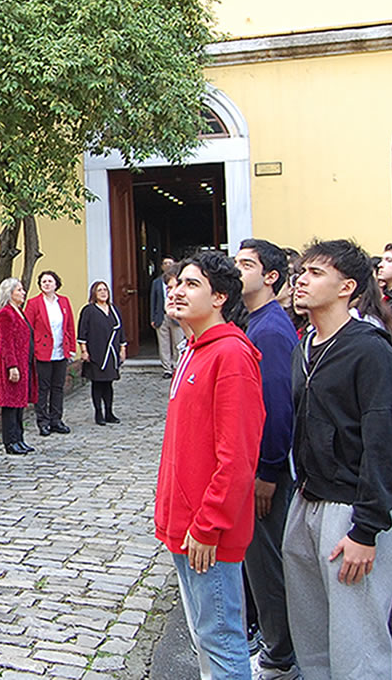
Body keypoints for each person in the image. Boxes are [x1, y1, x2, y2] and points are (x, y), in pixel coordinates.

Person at [283, 240, 392, 679]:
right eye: (301, 271)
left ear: (347, 287)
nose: (301, 279)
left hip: (351, 510)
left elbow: (388, 443)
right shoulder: (306, 345)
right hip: (308, 500)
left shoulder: (369, 350)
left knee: (358, 641)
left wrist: (367, 528)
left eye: (315, 273)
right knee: (312, 637)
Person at [155, 253, 265, 680]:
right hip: (184, 525)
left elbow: (237, 456)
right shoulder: (194, 350)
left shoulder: (231, 356)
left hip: (208, 533)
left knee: (221, 639)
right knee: (205, 636)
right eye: (177, 282)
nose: (178, 290)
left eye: (192, 284)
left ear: (219, 297)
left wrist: (208, 523)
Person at [235, 239, 301, 680]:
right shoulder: (255, 321)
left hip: (267, 471)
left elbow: (277, 406)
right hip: (256, 465)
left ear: (270, 276)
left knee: (267, 563)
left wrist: (268, 471)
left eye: (246, 264)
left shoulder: (272, 329)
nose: (236, 270)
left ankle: (280, 654)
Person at [23, 270, 76, 436]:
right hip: (42, 351)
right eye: (44, 281)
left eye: (50, 281)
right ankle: (43, 421)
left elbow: (69, 327)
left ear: (56, 284)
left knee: (58, 387)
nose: (47, 284)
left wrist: (72, 347)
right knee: (43, 388)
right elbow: (27, 328)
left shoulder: (64, 302)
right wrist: (30, 350)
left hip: (61, 349)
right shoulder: (34, 303)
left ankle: (56, 419)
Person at [0, 277, 37, 455]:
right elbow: (6, 343)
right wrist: (12, 365)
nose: (23, 293)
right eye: (19, 290)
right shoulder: (6, 314)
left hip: (24, 362)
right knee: (10, 404)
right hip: (12, 364)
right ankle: (10, 441)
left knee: (20, 403)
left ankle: (19, 438)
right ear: (9, 293)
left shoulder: (20, 311)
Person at [77, 281, 126, 425]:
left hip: (111, 352)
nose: (103, 293)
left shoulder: (114, 310)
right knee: (97, 383)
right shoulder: (89, 310)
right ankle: (98, 413)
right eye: (100, 290)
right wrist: (84, 350)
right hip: (96, 352)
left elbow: (120, 330)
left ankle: (109, 412)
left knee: (108, 383)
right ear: (94, 293)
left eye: (105, 290)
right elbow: (82, 332)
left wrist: (122, 349)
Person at [150, 256, 181, 377]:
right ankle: (167, 369)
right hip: (161, 316)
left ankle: (177, 367)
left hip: (176, 316)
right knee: (164, 344)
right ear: (162, 266)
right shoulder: (156, 282)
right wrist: (153, 317)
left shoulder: (179, 281)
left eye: (170, 263)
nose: (167, 265)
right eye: (165, 263)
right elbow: (153, 301)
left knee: (178, 343)